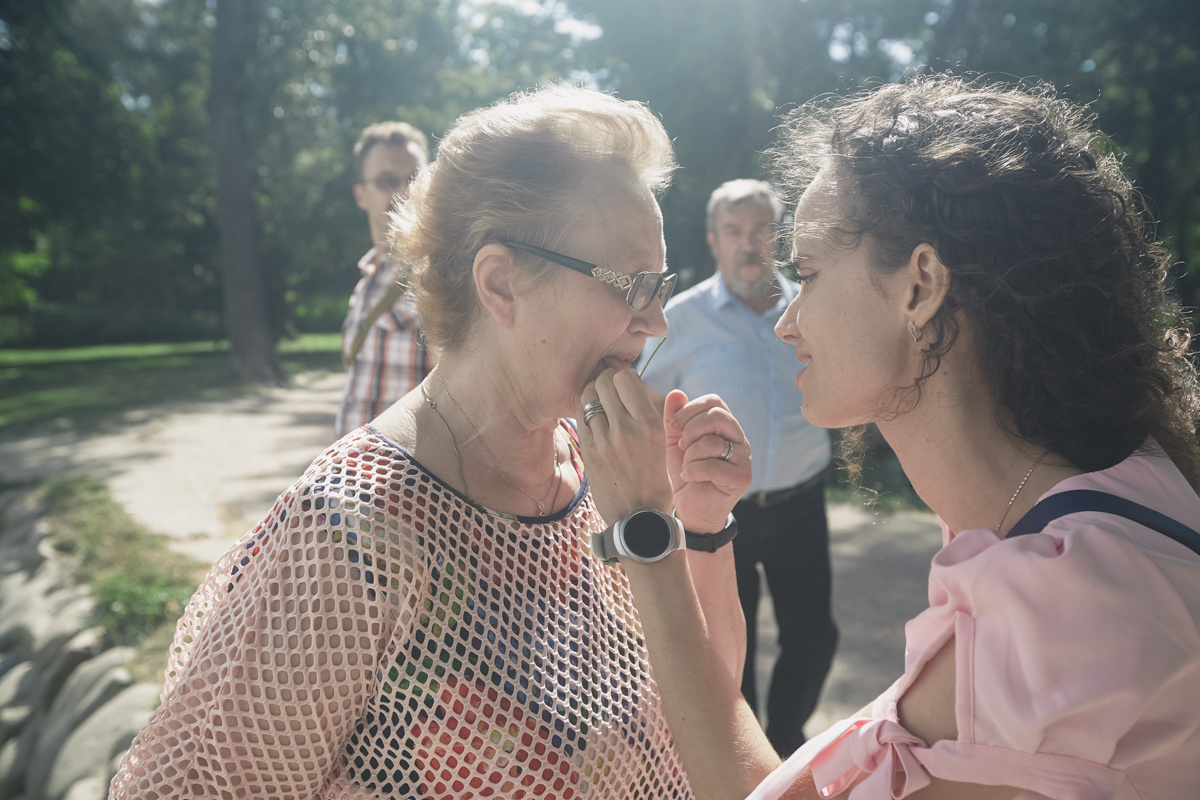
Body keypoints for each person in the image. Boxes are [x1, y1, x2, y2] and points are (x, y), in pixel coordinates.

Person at [108, 86, 750, 800]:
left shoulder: (613, 480)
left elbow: (709, 733)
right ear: (501, 283)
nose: (657, 321)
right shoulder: (348, 533)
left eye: (659, 284)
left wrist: (698, 523)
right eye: (631, 285)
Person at [578, 74, 1200, 799]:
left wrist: (642, 532)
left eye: (807, 274)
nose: (788, 320)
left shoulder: (1064, 608)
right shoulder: (1111, 489)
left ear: (920, 285)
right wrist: (706, 530)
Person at [640, 178, 834, 754]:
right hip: (720, 512)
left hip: (802, 499)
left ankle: (785, 740)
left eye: (760, 231)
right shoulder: (681, 319)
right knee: (728, 639)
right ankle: (741, 751)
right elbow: (643, 406)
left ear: (777, 239)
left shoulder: (814, 306)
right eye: (734, 232)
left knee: (813, 636)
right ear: (714, 240)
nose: (748, 244)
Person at [336, 121, 434, 437]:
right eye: (387, 181)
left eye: (414, 179)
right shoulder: (366, 279)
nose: (404, 190)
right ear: (360, 195)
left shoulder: (438, 275)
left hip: (405, 479)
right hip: (353, 476)